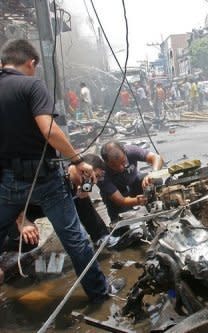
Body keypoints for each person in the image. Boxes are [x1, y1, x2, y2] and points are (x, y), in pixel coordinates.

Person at [0, 39, 124, 297]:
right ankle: (100, 292)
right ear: (31, 63)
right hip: (44, 178)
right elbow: (48, 129)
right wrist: (77, 161)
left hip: (7, 179)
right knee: (74, 239)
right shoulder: (31, 85)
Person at [97, 141, 164, 222]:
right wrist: (137, 201)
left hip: (134, 182)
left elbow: (157, 158)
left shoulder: (131, 150)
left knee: (155, 181)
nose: (121, 168)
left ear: (125, 152)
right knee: (120, 223)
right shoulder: (101, 174)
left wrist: (153, 174)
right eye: (114, 166)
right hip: (116, 194)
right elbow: (120, 200)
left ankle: (155, 210)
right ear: (106, 163)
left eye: (123, 162)